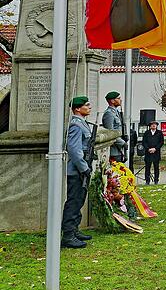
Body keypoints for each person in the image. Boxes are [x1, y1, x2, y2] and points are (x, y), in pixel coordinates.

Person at [62, 96, 93, 249]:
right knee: (73, 201)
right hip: (76, 171)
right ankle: (68, 235)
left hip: (81, 169)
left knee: (79, 200)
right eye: (87, 105)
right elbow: (74, 150)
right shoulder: (76, 125)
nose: (90, 107)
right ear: (77, 109)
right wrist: (84, 168)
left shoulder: (83, 124)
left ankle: (74, 230)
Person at [102, 91, 127, 162]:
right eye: (118, 98)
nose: (120, 100)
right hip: (113, 150)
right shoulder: (109, 114)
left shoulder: (116, 112)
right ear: (112, 101)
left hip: (119, 149)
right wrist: (122, 143)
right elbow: (110, 133)